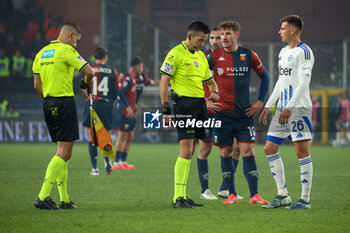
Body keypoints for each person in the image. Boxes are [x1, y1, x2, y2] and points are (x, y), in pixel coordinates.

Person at [32, 22, 95, 210]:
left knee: (63, 153)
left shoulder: (41, 53)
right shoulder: (66, 50)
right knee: (65, 152)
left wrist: (49, 100)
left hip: (48, 103)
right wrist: (84, 87)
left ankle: (64, 200)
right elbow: (89, 71)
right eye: (76, 40)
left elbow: (37, 86)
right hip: (64, 103)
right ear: (69, 35)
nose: (76, 45)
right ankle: (42, 196)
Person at [208, 20, 270, 205]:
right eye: (221, 34)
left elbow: (265, 77)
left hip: (244, 114)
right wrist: (206, 100)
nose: (223, 38)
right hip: (222, 114)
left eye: (227, 34)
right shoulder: (213, 57)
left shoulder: (249, 55)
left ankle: (254, 195)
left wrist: (260, 101)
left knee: (248, 150)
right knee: (225, 151)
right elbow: (201, 79)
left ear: (236, 35)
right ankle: (231, 194)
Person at [160, 21, 220, 208]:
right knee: (185, 151)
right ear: (189, 36)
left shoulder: (201, 56)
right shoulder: (175, 53)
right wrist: (165, 109)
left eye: (204, 41)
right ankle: (177, 197)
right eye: (200, 40)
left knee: (192, 151)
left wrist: (215, 91)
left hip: (200, 105)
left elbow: (210, 82)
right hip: (183, 106)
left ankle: (183, 196)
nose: (203, 44)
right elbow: (164, 83)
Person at [259, 15, 315, 209]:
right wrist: (269, 105)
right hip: (282, 109)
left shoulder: (304, 52)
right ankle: (282, 195)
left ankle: (305, 199)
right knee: (269, 148)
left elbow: (304, 83)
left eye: (282, 28)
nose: (279, 31)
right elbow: (280, 82)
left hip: (297, 108)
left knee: (301, 151)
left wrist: (290, 107)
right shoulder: (283, 52)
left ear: (292, 30)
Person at [197, 26, 243, 200]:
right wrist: (205, 101)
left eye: (218, 38)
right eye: (212, 38)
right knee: (205, 149)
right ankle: (204, 190)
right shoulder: (204, 58)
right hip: (209, 111)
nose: (215, 41)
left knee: (236, 147)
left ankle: (225, 188)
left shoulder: (230, 57)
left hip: (227, 111)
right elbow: (195, 82)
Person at [82, 46, 122, 175]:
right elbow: (116, 91)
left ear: (94, 57)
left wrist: (88, 96)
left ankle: (94, 168)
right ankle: (107, 162)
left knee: (91, 137)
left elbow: (83, 86)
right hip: (106, 105)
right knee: (106, 136)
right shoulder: (112, 71)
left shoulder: (89, 69)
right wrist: (110, 101)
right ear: (105, 57)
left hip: (92, 104)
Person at [112, 57, 138, 170]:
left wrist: (133, 105)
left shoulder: (133, 78)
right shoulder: (127, 78)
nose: (142, 68)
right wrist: (127, 106)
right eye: (141, 66)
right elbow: (120, 92)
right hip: (124, 111)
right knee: (122, 136)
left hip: (131, 110)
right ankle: (116, 162)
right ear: (136, 66)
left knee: (129, 136)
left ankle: (123, 161)